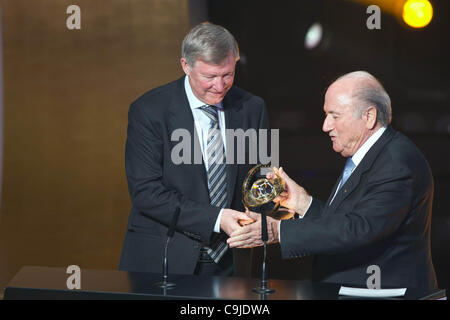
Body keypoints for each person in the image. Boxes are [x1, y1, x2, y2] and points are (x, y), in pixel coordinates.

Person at [228, 71, 438, 289]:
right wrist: (302, 202)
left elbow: (358, 228)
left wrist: (277, 231)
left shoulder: (397, 163)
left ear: (369, 116)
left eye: (335, 116)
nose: (325, 126)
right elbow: (343, 223)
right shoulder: (370, 155)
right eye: (326, 115)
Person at [118, 22, 269, 276]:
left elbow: (263, 176)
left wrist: (264, 213)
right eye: (209, 77)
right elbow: (146, 193)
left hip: (232, 260)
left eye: (228, 75)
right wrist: (218, 218)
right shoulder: (149, 111)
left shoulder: (252, 107)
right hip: (164, 258)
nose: (220, 86)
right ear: (185, 66)